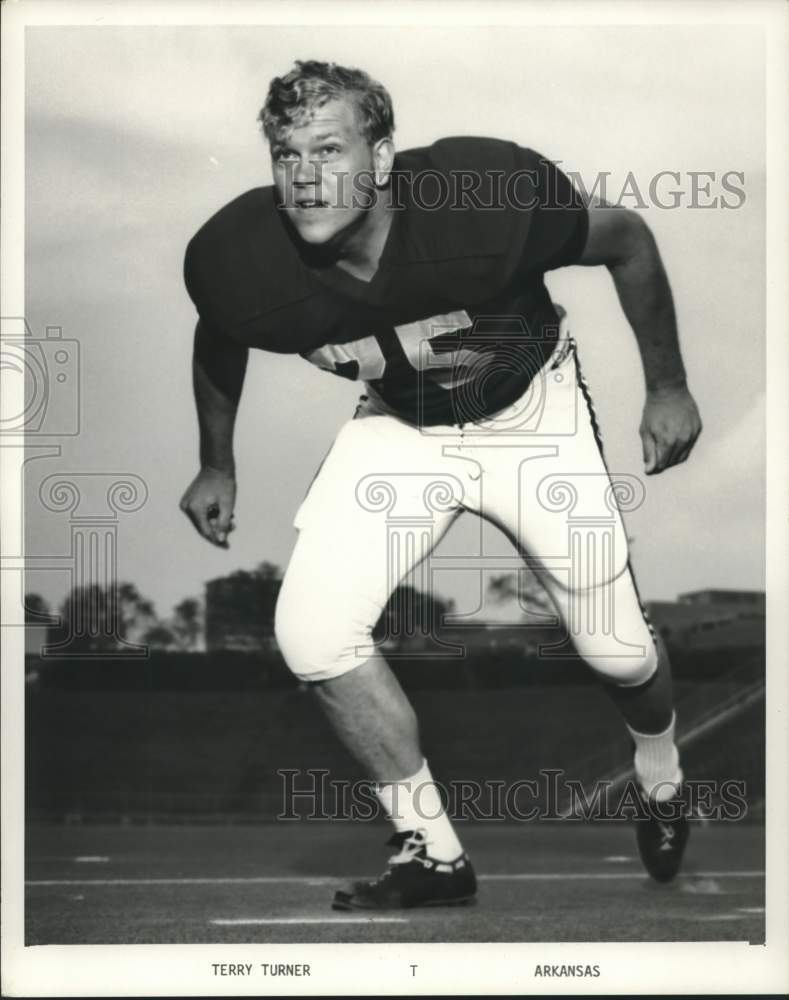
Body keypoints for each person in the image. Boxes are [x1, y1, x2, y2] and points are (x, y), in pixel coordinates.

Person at [180, 60, 703, 910]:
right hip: (399, 426)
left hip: (530, 415)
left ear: (382, 157)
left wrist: (669, 386)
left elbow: (628, 239)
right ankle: (431, 854)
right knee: (312, 632)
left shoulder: (477, 200)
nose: (304, 176)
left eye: (329, 148)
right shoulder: (245, 257)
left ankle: (660, 773)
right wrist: (216, 460)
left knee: (614, 648)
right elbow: (221, 332)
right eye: (284, 154)